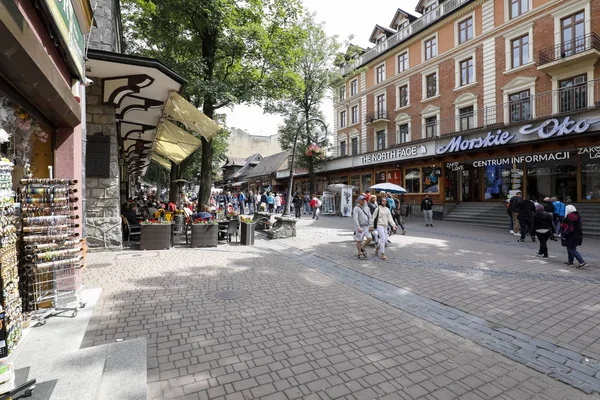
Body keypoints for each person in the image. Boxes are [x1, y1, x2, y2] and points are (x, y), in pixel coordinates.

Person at [370, 196, 396, 260]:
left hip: (385, 226)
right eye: (383, 201)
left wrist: (393, 225)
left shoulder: (387, 209)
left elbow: (390, 218)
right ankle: (382, 254)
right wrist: (372, 226)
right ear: (380, 201)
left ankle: (377, 248)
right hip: (379, 225)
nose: (384, 202)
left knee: (384, 240)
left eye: (385, 201)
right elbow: (373, 217)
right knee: (383, 239)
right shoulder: (378, 209)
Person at [352, 195, 372, 260]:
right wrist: (358, 227)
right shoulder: (356, 208)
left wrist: (371, 225)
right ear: (358, 200)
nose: (363, 200)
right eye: (362, 199)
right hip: (360, 227)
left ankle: (363, 248)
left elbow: (369, 217)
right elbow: (355, 218)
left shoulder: (367, 208)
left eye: (364, 199)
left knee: (369, 238)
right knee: (359, 240)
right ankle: (359, 253)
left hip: (366, 226)